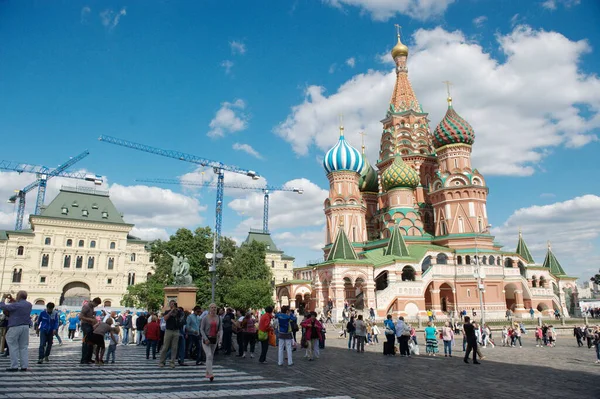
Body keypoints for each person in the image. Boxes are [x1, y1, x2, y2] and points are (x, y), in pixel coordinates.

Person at [200, 303, 222, 382]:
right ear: (209, 309)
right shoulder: (205, 318)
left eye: (215, 308)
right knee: (208, 355)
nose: (214, 309)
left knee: (211, 356)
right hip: (206, 339)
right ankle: (210, 373)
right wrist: (205, 338)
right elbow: (201, 329)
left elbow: (220, 329)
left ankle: (207, 371)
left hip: (214, 339)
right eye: (212, 308)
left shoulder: (218, 318)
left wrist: (220, 339)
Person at [159, 300, 182, 368]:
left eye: (174, 304)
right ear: (170, 305)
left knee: (174, 348)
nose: (173, 305)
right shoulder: (167, 312)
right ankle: (162, 362)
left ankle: (172, 362)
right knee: (165, 347)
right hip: (168, 330)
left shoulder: (178, 312)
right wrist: (171, 311)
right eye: (172, 304)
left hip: (176, 330)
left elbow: (181, 318)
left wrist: (177, 310)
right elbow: (165, 318)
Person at [79, 297, 101, 364]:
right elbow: (81, 316)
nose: (96, 306)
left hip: (90, 325)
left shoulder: (91, 307)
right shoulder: (86, 306)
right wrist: (90, 319)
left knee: (91, 343)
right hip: (85, 325)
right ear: (94, 302)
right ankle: (84, 359)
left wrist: (93, 316)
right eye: (96, 305)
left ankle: (89, 358)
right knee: (86, 342)